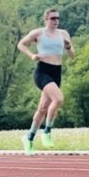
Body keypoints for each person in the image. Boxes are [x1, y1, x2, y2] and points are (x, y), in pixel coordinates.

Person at [17, 8, 75, 154]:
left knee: (43, 109)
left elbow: (72, 55)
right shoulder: (38, 33)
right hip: (42, 72)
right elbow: (21, 44)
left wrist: (68, 46)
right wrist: (31, 55)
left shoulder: (63, 34)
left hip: (56, 72)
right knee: (59, 99)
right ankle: (47, 132)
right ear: (46, 19)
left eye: (58, 18)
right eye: (53, 18)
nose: (56, 20)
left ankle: (28, 138)